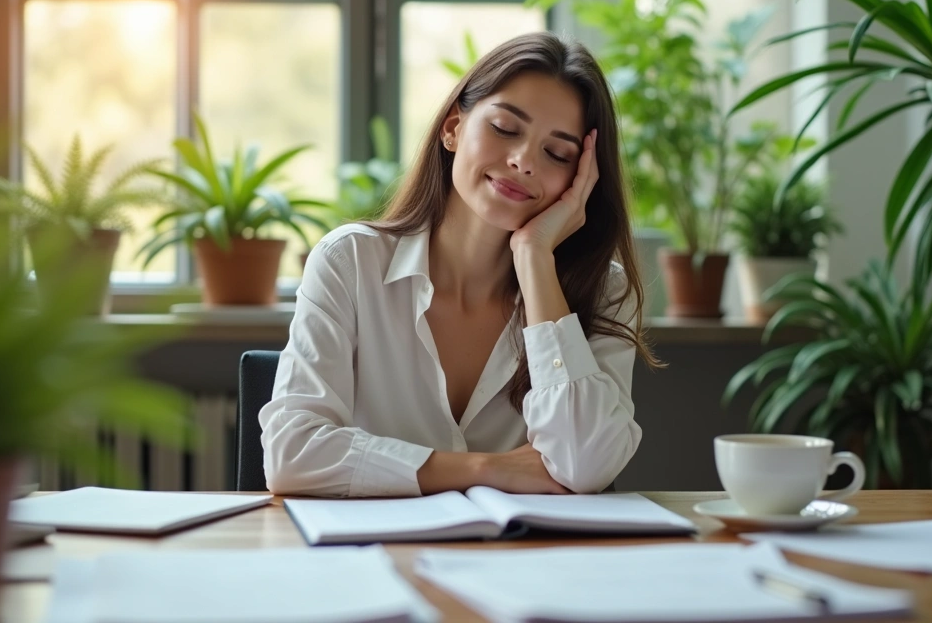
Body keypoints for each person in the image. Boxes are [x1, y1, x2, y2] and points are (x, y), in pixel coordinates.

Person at [260, 31, 659, 498]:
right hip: (371, 559)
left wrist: (534, 258)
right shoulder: (349, 262)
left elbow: (586, 464)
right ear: (453, 128)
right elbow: (291, 455)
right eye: (506, 128)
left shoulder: (605, 291)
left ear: (580, 178)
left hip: (526, 566)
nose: (522, 161)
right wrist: (485, 469)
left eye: (557, 153)